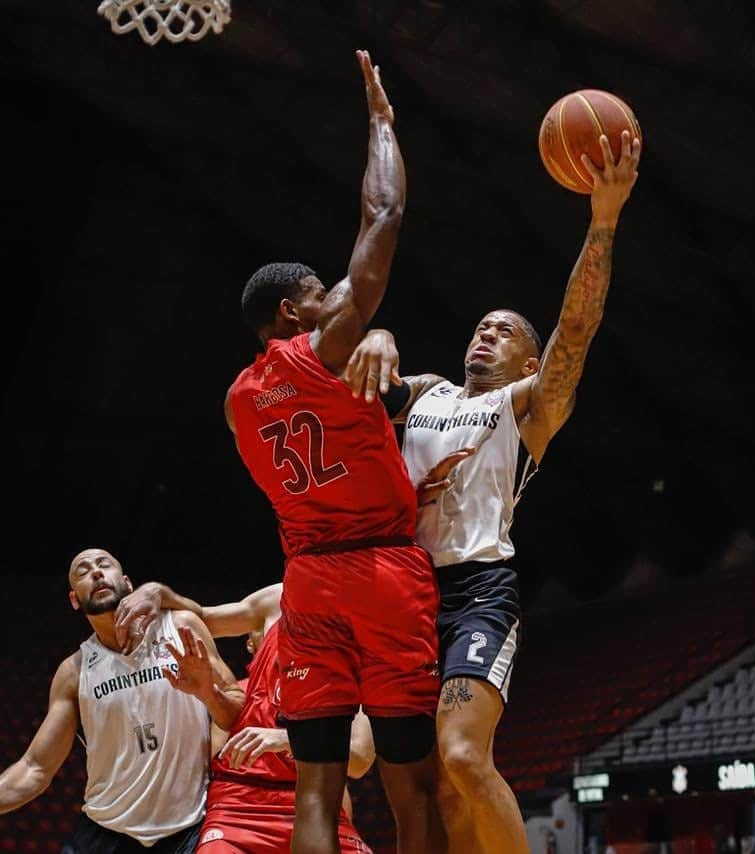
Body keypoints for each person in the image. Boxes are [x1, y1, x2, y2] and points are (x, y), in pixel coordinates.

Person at [346, 130, 641, 853]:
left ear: (528, 360)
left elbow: (577, 328)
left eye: (503, 331)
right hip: (401, 592)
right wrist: (376, 332)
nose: (485, 334)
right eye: (481, 327)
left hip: (479, 590)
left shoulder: (525, 407)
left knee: (463, 758)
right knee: (438, 789)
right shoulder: (424, 392)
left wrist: (603, 217)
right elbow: (350, 386)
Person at [222, 49, 444, 854]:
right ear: (293, 310)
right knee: (408, 780)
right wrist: (382, 122)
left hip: (307, 583)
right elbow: (380, 221)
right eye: (322, 296)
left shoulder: (239, 398)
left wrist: (376, 338)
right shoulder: (319, 349)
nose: (335, 302)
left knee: (314, 785)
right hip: (381, 570)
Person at [0, 548, 244, 853]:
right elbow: (35, 769)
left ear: (128, 583)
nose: (97, 573)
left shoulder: (180, 627)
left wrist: (208, 693)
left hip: (187, 828)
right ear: (75, 599)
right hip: (106, 832)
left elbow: (238, 712)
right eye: (83, 571)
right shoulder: (74, 672)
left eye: (104, 565)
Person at [114, 580, 376, 852]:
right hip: (239, 802)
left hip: (310, 796)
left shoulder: (356, 644)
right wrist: (157, 591)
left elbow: (359, 759)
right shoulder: (276, 605)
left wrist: (286, 739)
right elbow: (201, 618)